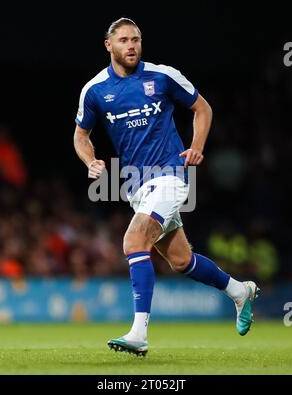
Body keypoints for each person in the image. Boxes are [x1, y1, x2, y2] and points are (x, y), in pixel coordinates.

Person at [74, 17, 259, 356]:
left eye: (137, 39)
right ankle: (238, 291)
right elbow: (81, 135)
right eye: (125, 40)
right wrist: (91, 161)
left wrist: (197, 144)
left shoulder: (162, 76)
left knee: (133, 239)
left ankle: (139, 333)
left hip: (172, 174)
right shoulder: (95, 90)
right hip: (135, 186)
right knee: (180, 260)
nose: (132, 45)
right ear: (108, 46)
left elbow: (201, 108)